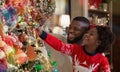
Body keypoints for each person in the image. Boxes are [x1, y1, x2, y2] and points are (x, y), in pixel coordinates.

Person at [37, 25, 114, 72]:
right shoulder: (75, 49)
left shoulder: (102, 60)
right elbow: (60, 46)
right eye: (87, 32)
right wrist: (43, 34)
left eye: (91, 34)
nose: (86, 34)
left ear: (98, 42)